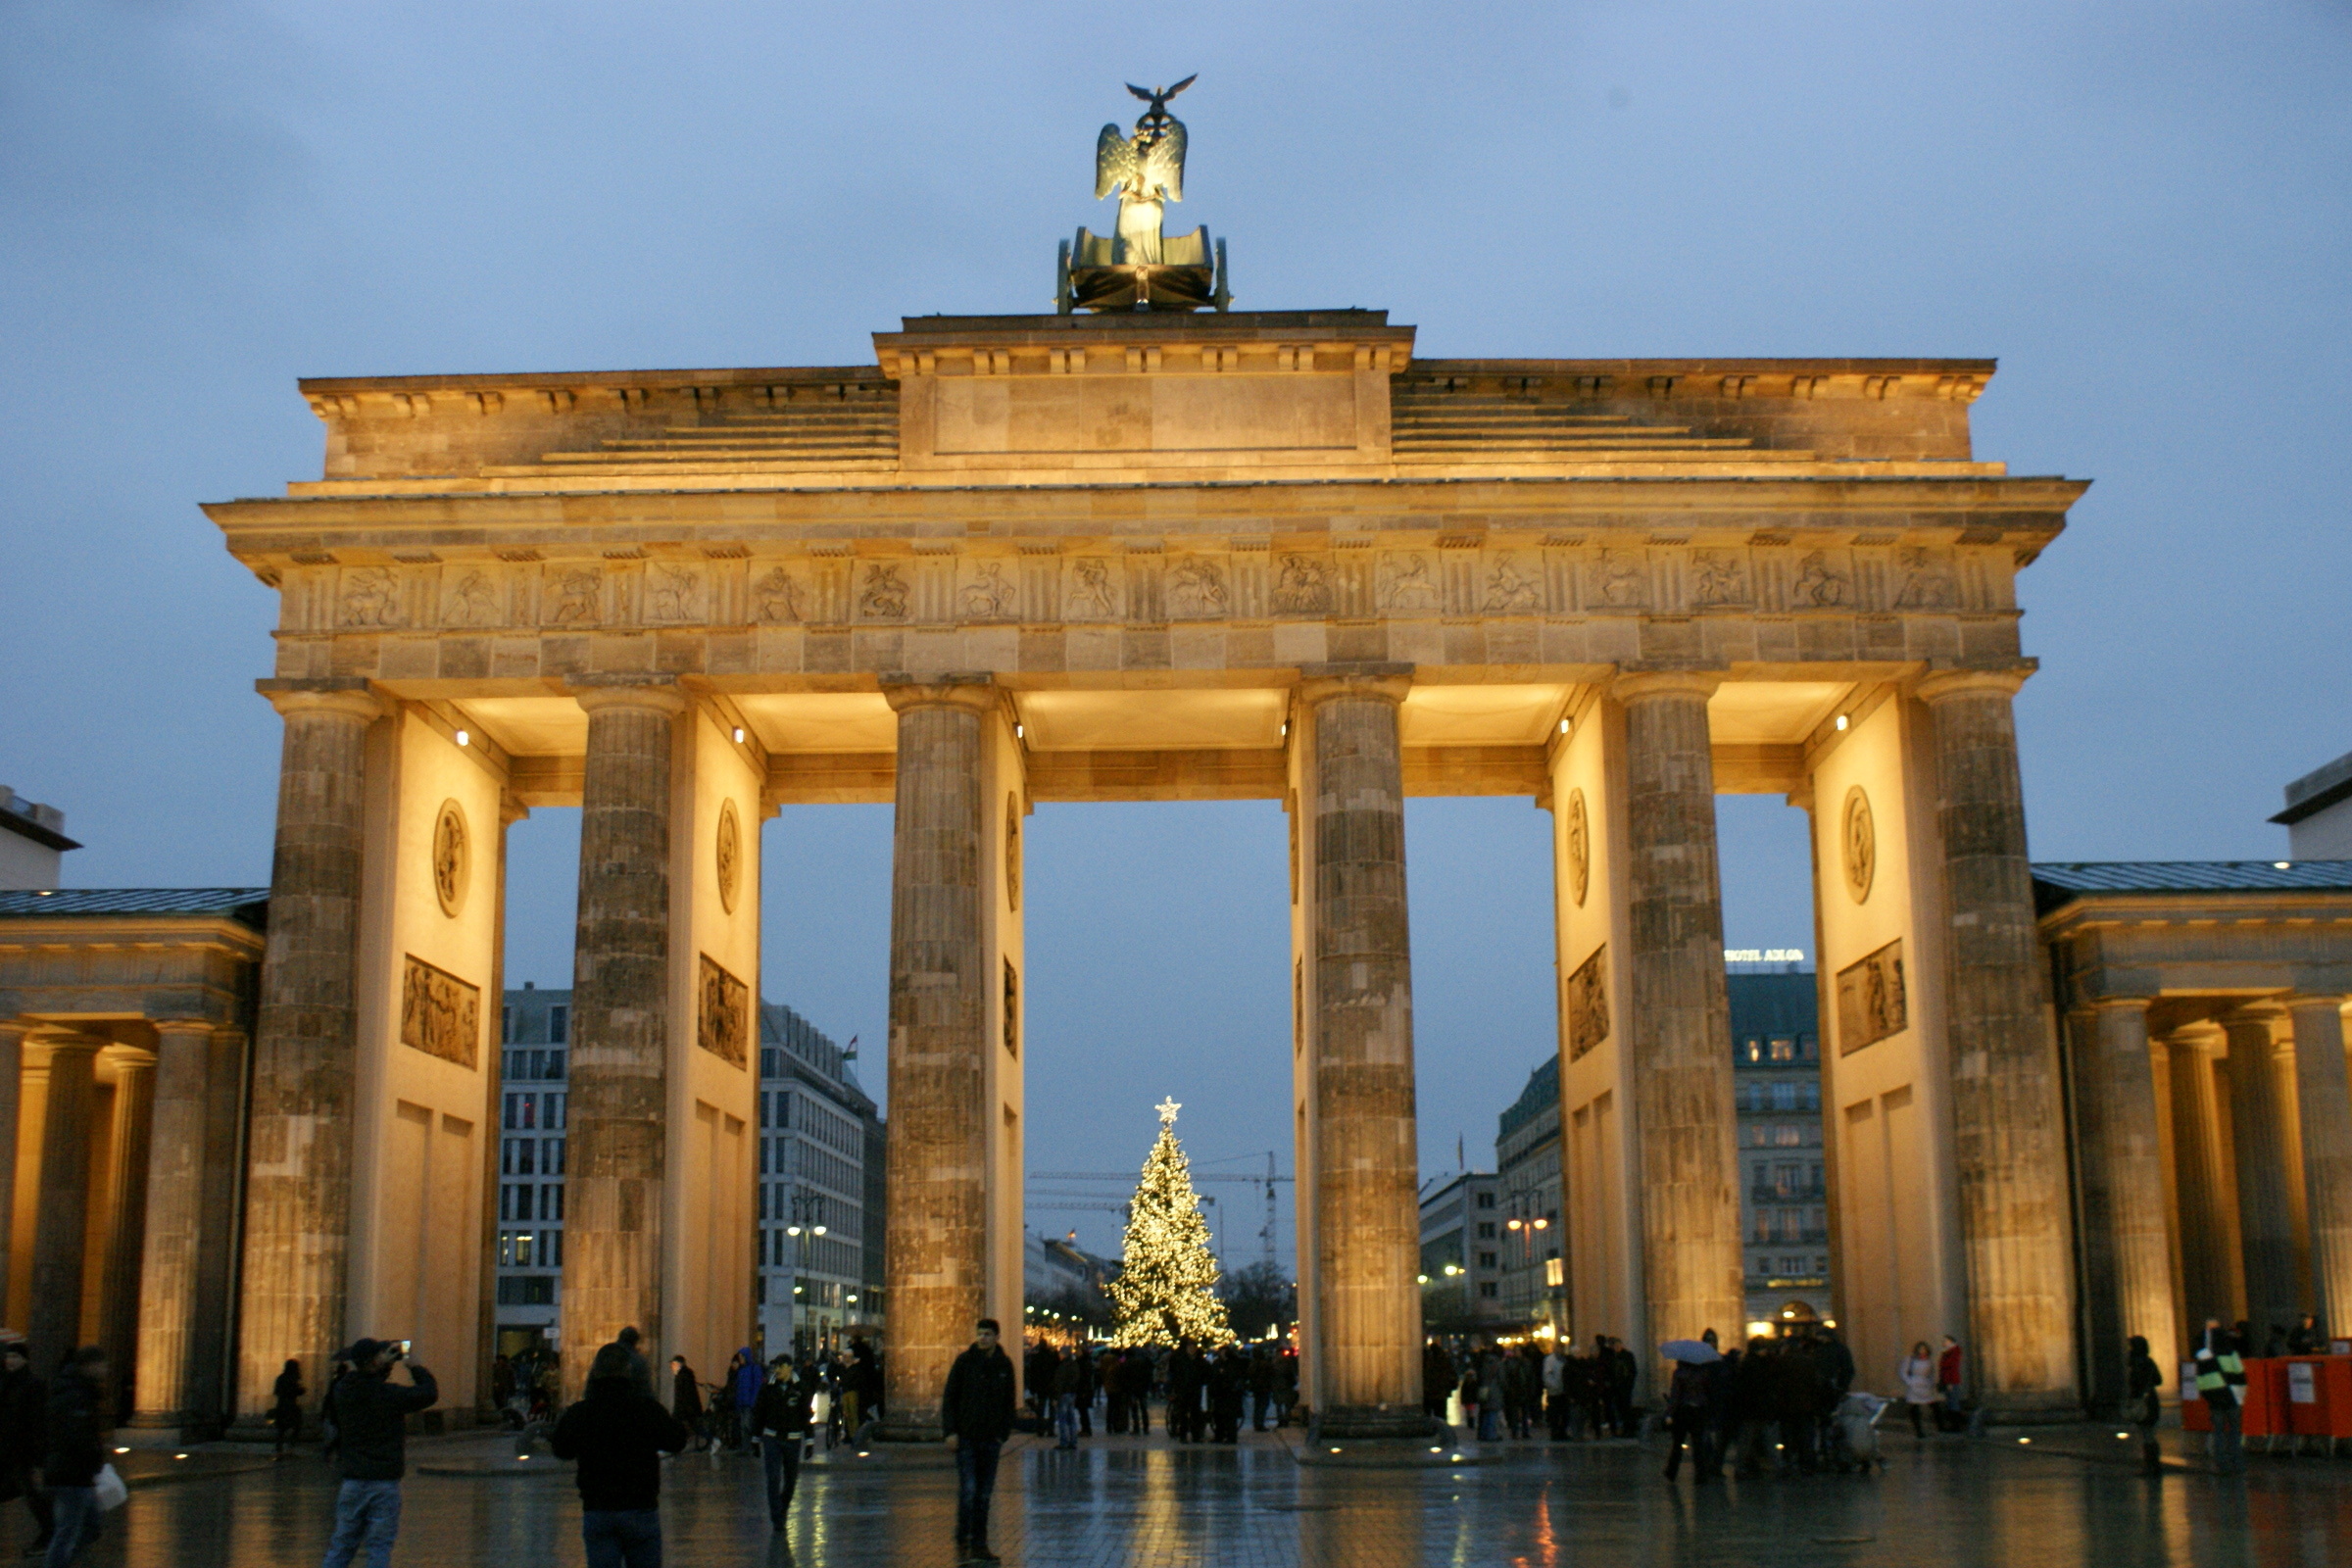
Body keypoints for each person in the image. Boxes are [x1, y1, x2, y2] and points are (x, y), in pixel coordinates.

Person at [551, 1342, 691, 1568]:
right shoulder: (646, 1409)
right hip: (640, 1506)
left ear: (595, 1372)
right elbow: (676, 1440)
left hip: (599, 1508)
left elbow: (560, 1449)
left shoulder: (581, 1412)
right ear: (628, 1372)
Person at [318, 1339, 437, 1568]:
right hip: (383, 1482)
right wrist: (414, 1366)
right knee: (379, 1546)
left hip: (352, 1480)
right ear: (376, 1361)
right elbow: (428, 1393)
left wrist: (376, 1366)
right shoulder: (388, 1395)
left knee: (342, 1544)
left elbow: (363, 1382)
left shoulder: (343, 1390)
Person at [942, 1318, 1016, 1564]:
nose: (982, 1338)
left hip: (990, 1438)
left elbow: (1009, 1402)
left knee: (983, 1494)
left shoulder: (1004, 1364)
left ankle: (979, 1542)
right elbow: (950, 1397)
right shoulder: (965, 1362)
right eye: (980, 1334)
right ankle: (966, 1533)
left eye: (987, 1334)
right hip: (967, 1436)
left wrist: (1002, 1433)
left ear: (996, 1337)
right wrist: (950, 1431)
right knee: (970, 1490)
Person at [40, 1348, 107, 1568]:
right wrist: (93, 1457)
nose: (105, 1369)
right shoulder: (75, 1395)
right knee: (69, 1530)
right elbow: (75, 1436)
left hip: (75, 1472)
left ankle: (62, 1561)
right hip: (70, 1472)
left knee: (88, 1526)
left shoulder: (79, 1391)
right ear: (89, 1365)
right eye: (101, 1364)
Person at [0, 1339, 55, 1557]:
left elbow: (37, 1422)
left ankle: (51, 1532)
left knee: (32, 1495)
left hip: (21, 1452)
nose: (10, 1361)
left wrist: (38, 1456)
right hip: (5, 1450)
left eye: (15, 1357)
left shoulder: (33, 1385)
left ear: (24, 1360)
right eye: (8, 1357)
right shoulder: (5, 1382)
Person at [751, 1358, 814, 1531]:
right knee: (773, 1477)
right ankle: (777, 1517)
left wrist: (810, 1441)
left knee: (791, 1480)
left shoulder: (801, 1388)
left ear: (790, 1367)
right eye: (775, 1367)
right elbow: (759, 1414)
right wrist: (755, 1439)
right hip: (772, 1438)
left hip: (793, 1439)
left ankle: (783, 1507)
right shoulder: (768, 1388)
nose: (777, 1370)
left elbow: (806, 1415)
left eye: (781, 1366)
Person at [2191, 1318, 2246, 1475]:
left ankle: (2221, 1464)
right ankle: (2237, 1463)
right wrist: (2241, 1394)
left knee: (2219, 1431)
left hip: (2214, 1398)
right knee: (2235, 1430)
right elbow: (2240, 1374)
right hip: (2232, 1396)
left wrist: (2207, 1395)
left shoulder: (2204, 1355)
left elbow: (2200, 1379)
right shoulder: (2231, 1353)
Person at [2125, 1334, 2165, 1476]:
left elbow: (2134, 1384)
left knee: (2146, 1434)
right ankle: (2155, 1465)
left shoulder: (2136, 1363)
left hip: (2141, 1401)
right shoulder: (2149, 1361)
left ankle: (2151, 1466)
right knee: (2150, 1434)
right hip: (2151, 1399)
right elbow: (2159, 1380)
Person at [1898, 1342, 1937, 1439]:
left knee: (1934, 1405)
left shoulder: (1929, 1360)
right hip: (1914, 1385)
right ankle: (1919, 1430)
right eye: (1920, 1349)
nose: (1922, 1351)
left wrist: (1931, 1382)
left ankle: (1940, 1426)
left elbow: (1932, 1373)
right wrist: (1909, 1382)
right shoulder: (1910, 1359)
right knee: (1914, 1408)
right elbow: (1903, 1372)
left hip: (1925, 1385)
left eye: (1924, 1349)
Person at [271, 1358, 308, 1457]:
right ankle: (290, 1448)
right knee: (296, 1426)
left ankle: (279, 1450)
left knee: (281, 1429)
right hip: (291, 1406)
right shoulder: (293, 1379)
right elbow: (298, 1391)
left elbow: (276, 1392)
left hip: (281, 1406)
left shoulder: (280, 1378)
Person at [669, 1355, 706, 1451]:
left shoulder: (682, 1376)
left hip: (686, 1408)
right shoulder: (684, 1375)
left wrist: (681, 1407)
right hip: (687, 1407)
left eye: (673, 1364)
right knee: (693, 1426)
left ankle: (711, 1440)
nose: (672, 1367)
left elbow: (684, 1395)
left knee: (695, 1426)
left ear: (679, 1365)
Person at [1936, 1335, 1964, 1431]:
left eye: (1945, 1341)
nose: (1943, 1342)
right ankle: (1954, 1424)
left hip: (1951, 1381)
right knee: (1950, 1402)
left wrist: (1950, 1382)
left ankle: (1956, 1426)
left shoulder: (1954, 1352)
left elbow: (1953, 1367)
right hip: (1947, 1380)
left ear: (1951, 1341)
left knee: (1953, 1402)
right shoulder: (1947, 1352)